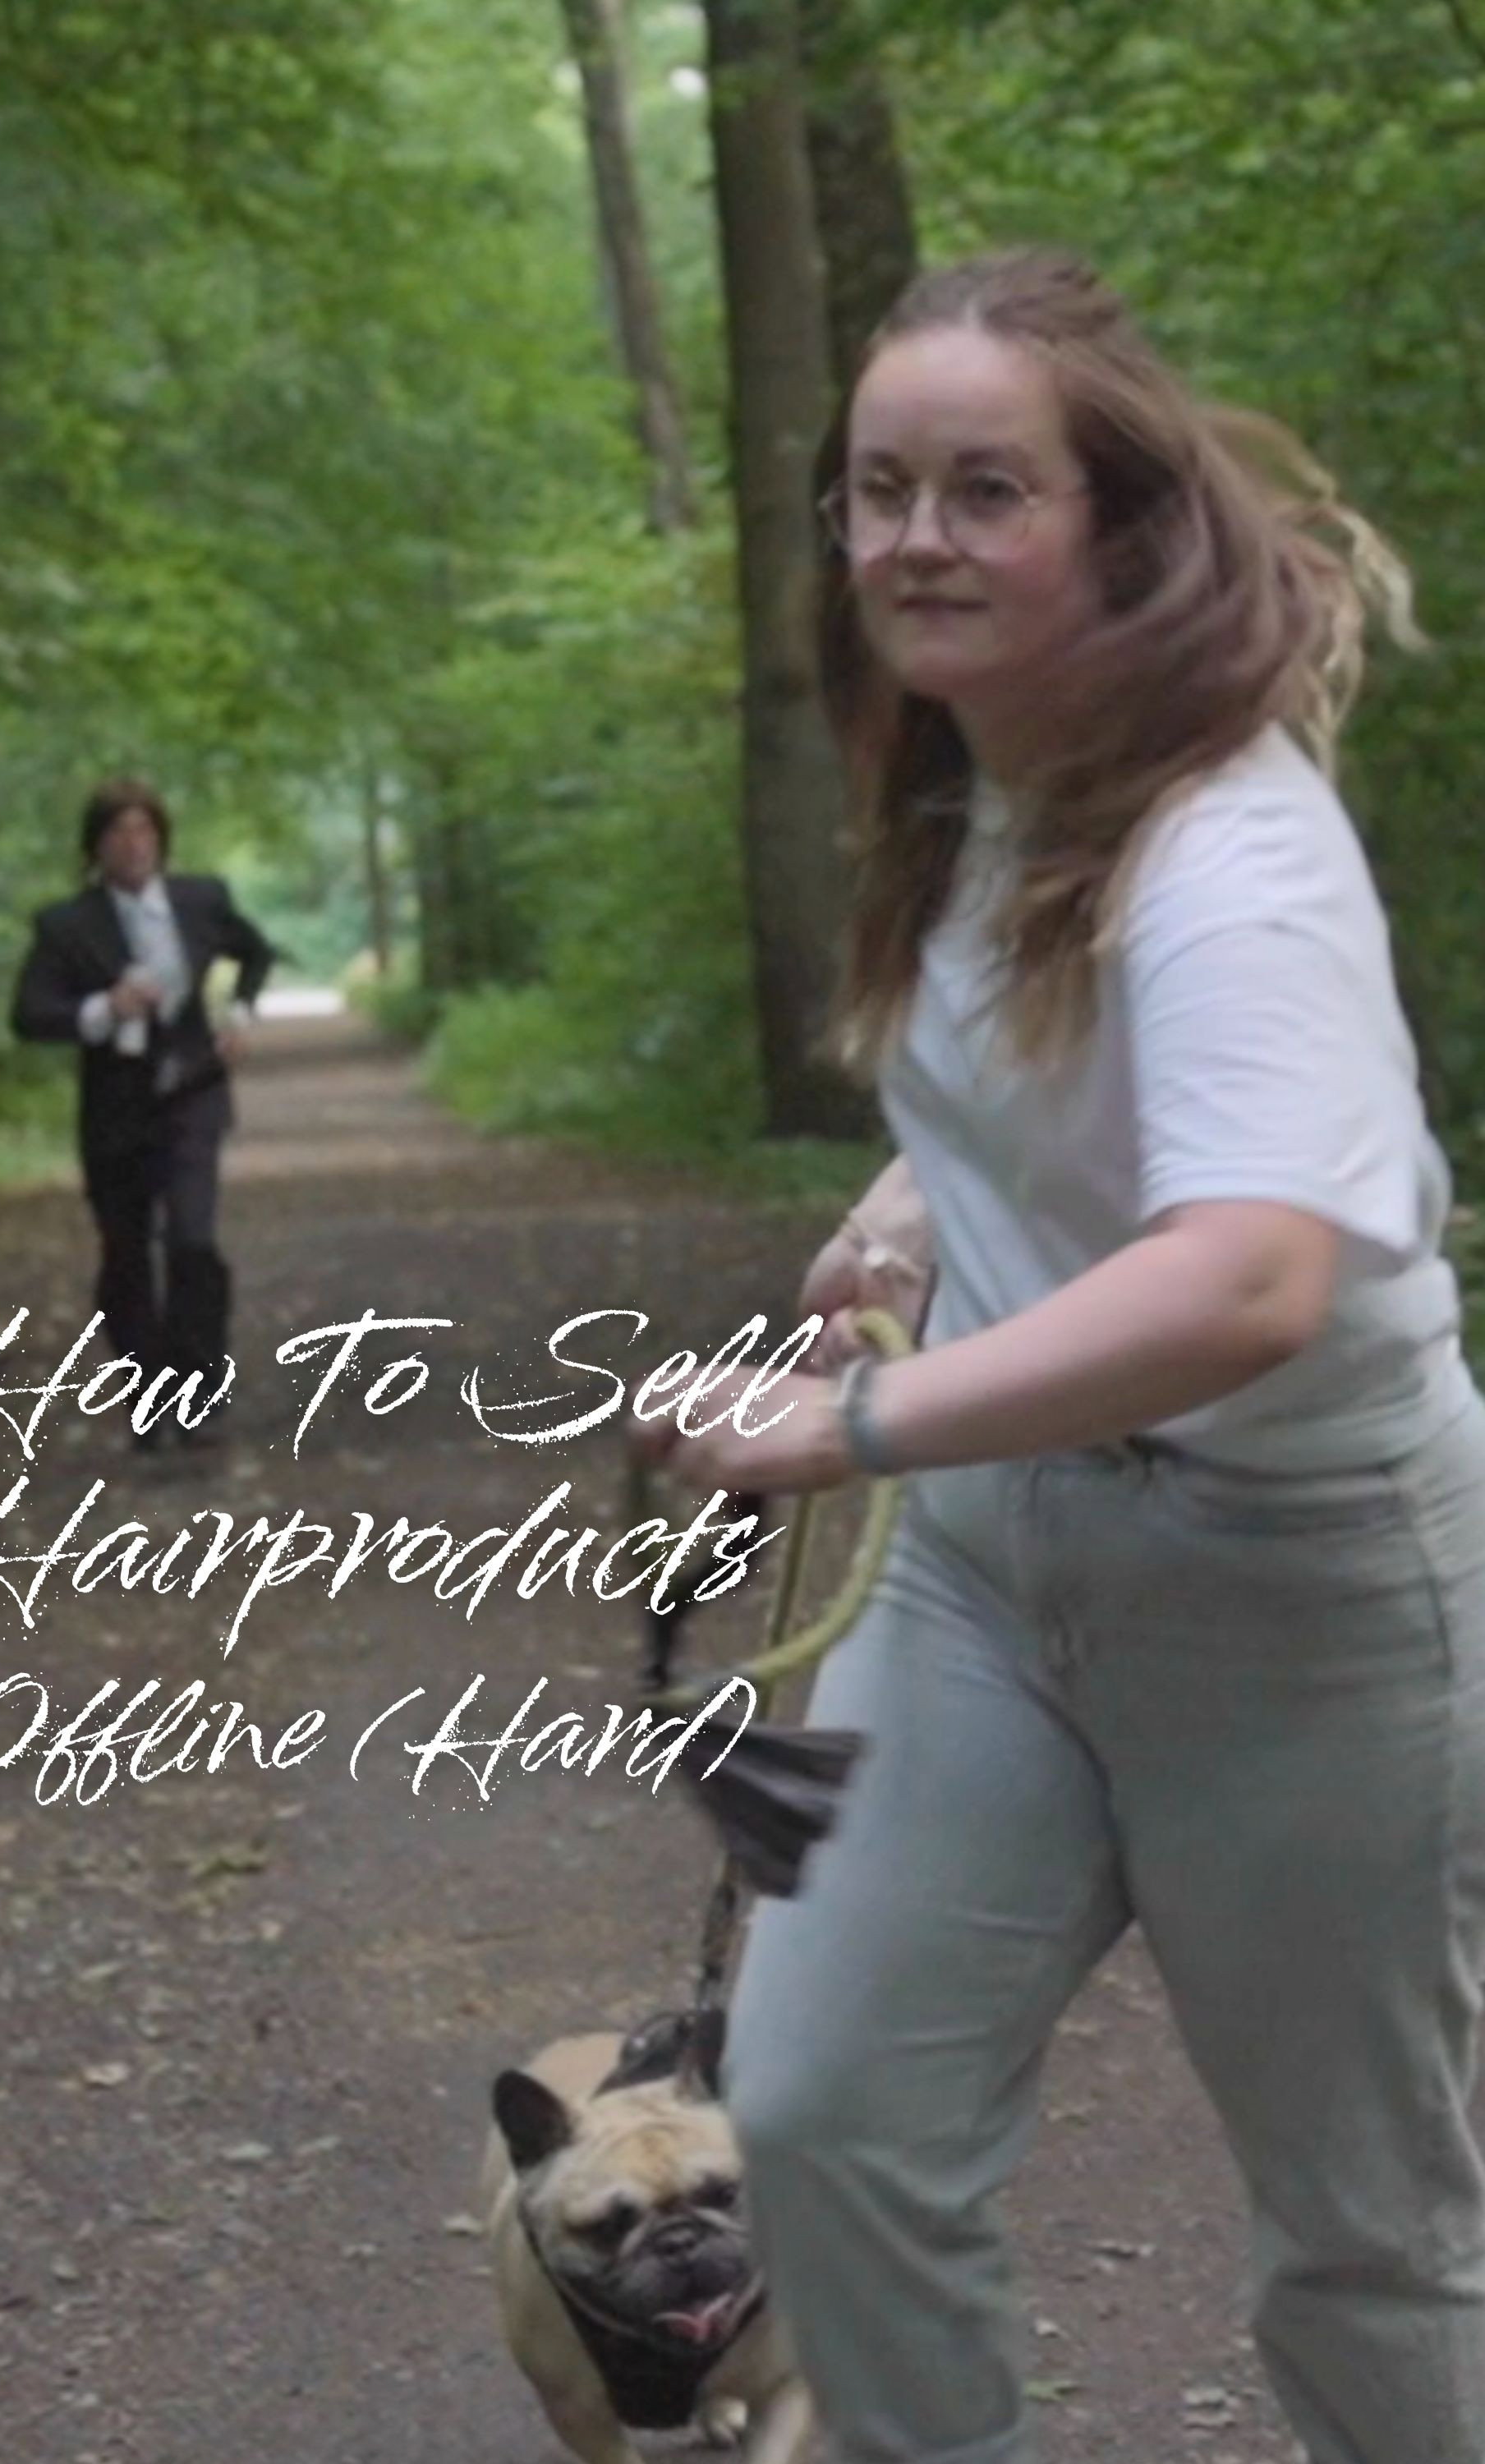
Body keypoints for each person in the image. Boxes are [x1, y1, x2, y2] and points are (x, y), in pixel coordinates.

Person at [639, 250, 1485, 2463]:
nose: (915, 538)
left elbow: (1246, 1278)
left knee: (1365, 2235)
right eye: (878, 490)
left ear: (1114, 525)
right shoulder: (971, 780)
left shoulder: (1234, 851)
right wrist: (923, 1196)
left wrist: (853, 1419)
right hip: (991, 1566)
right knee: (818, 2115)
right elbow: (1064, 1077)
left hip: (1304, 1590)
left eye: (984, 489)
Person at [11, 778, 275, 1446]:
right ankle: (149, 1398)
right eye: (118, 833)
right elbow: (29, 1015)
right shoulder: (67, 925)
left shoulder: (201, 899)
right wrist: (102, 1009)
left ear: (161, 840)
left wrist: (240, 1014)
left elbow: (256, 951)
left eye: (144, 831)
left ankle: (199, 1391)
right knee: (126, 1254)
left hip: (193, 1092)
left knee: (192, 1241)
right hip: (115, 1107)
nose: (133, 845)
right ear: (95, 847)